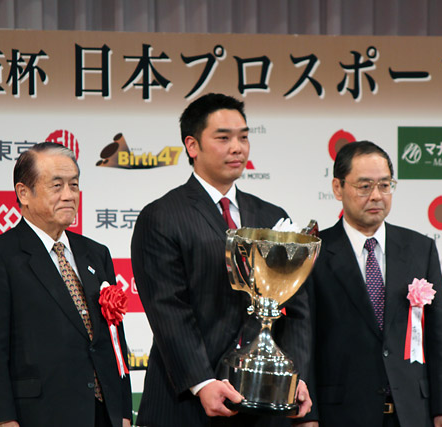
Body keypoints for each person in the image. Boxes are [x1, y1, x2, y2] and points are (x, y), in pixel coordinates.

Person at [131, 93, 312, 426]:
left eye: (243, 137)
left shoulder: (272, 217)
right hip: (186, 405)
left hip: (264, 404)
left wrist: (294, 376)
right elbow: (168, 309)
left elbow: (298, 311)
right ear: (192, 145)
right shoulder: (162, 216)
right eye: (224, 138)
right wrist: (202, 383)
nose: (237, 148)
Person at [0, 142, 132, 427]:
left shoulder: (95, 253)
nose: (69, 195)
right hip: (39, 415)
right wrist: (0, 421)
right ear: (23, 193)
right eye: (57, 186)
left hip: (104, 415)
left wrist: (124, 412)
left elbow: (115, 342)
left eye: (74, 185)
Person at [297, 141, 442, 427]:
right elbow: (303, 340)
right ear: (338, 188)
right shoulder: (314, 252)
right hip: (342, 414)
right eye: (364, 186)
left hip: (412, 413)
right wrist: (307, 417)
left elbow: (439, 338)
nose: (376, 196)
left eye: (385, 185)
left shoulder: (419, 249)